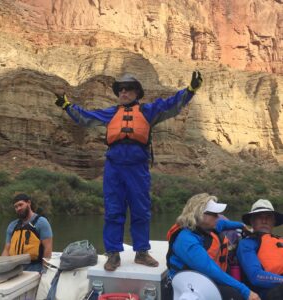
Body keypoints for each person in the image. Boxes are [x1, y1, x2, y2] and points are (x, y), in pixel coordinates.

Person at [55, 71, 203, 271]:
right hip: (114, 167)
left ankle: (141, 252)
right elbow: (86, 117)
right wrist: (67, 106)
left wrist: (190, 90)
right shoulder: (110, 113)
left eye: (128, 89)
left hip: (137, 167)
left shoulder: (148, 111)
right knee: (113, 210)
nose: (123, 92)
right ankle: (113, 254)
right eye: (121, 89)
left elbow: (171, 105)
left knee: (141, 209)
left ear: (136, 93)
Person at [166, 193, 260, 300]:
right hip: (185, 287)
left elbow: (224, 224)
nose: (218, 217)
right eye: (214, 214)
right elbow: (211, 269)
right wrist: (246, 291)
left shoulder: (203, 226)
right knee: (235, 294)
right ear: (199, 214)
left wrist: (242, 226)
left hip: (200, 280)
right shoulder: (186, 241)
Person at [237, 199, 283, 300]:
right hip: (265, 293)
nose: (264, 220)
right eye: (259, 216)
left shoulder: (280, 240)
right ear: (252, 221)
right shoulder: (247, 243)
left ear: (274, 221)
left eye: (268, 217)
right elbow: (256, 276)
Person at [2, 193, 53, 272]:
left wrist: (45, 270)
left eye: (20, 205)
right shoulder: (12, 225)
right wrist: (1, 268)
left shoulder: (41, 222)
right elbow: (6, 249)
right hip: (15, 268)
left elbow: (48, 248)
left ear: (28, 203)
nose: (18, 208)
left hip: (35, 267)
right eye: (16, 207)